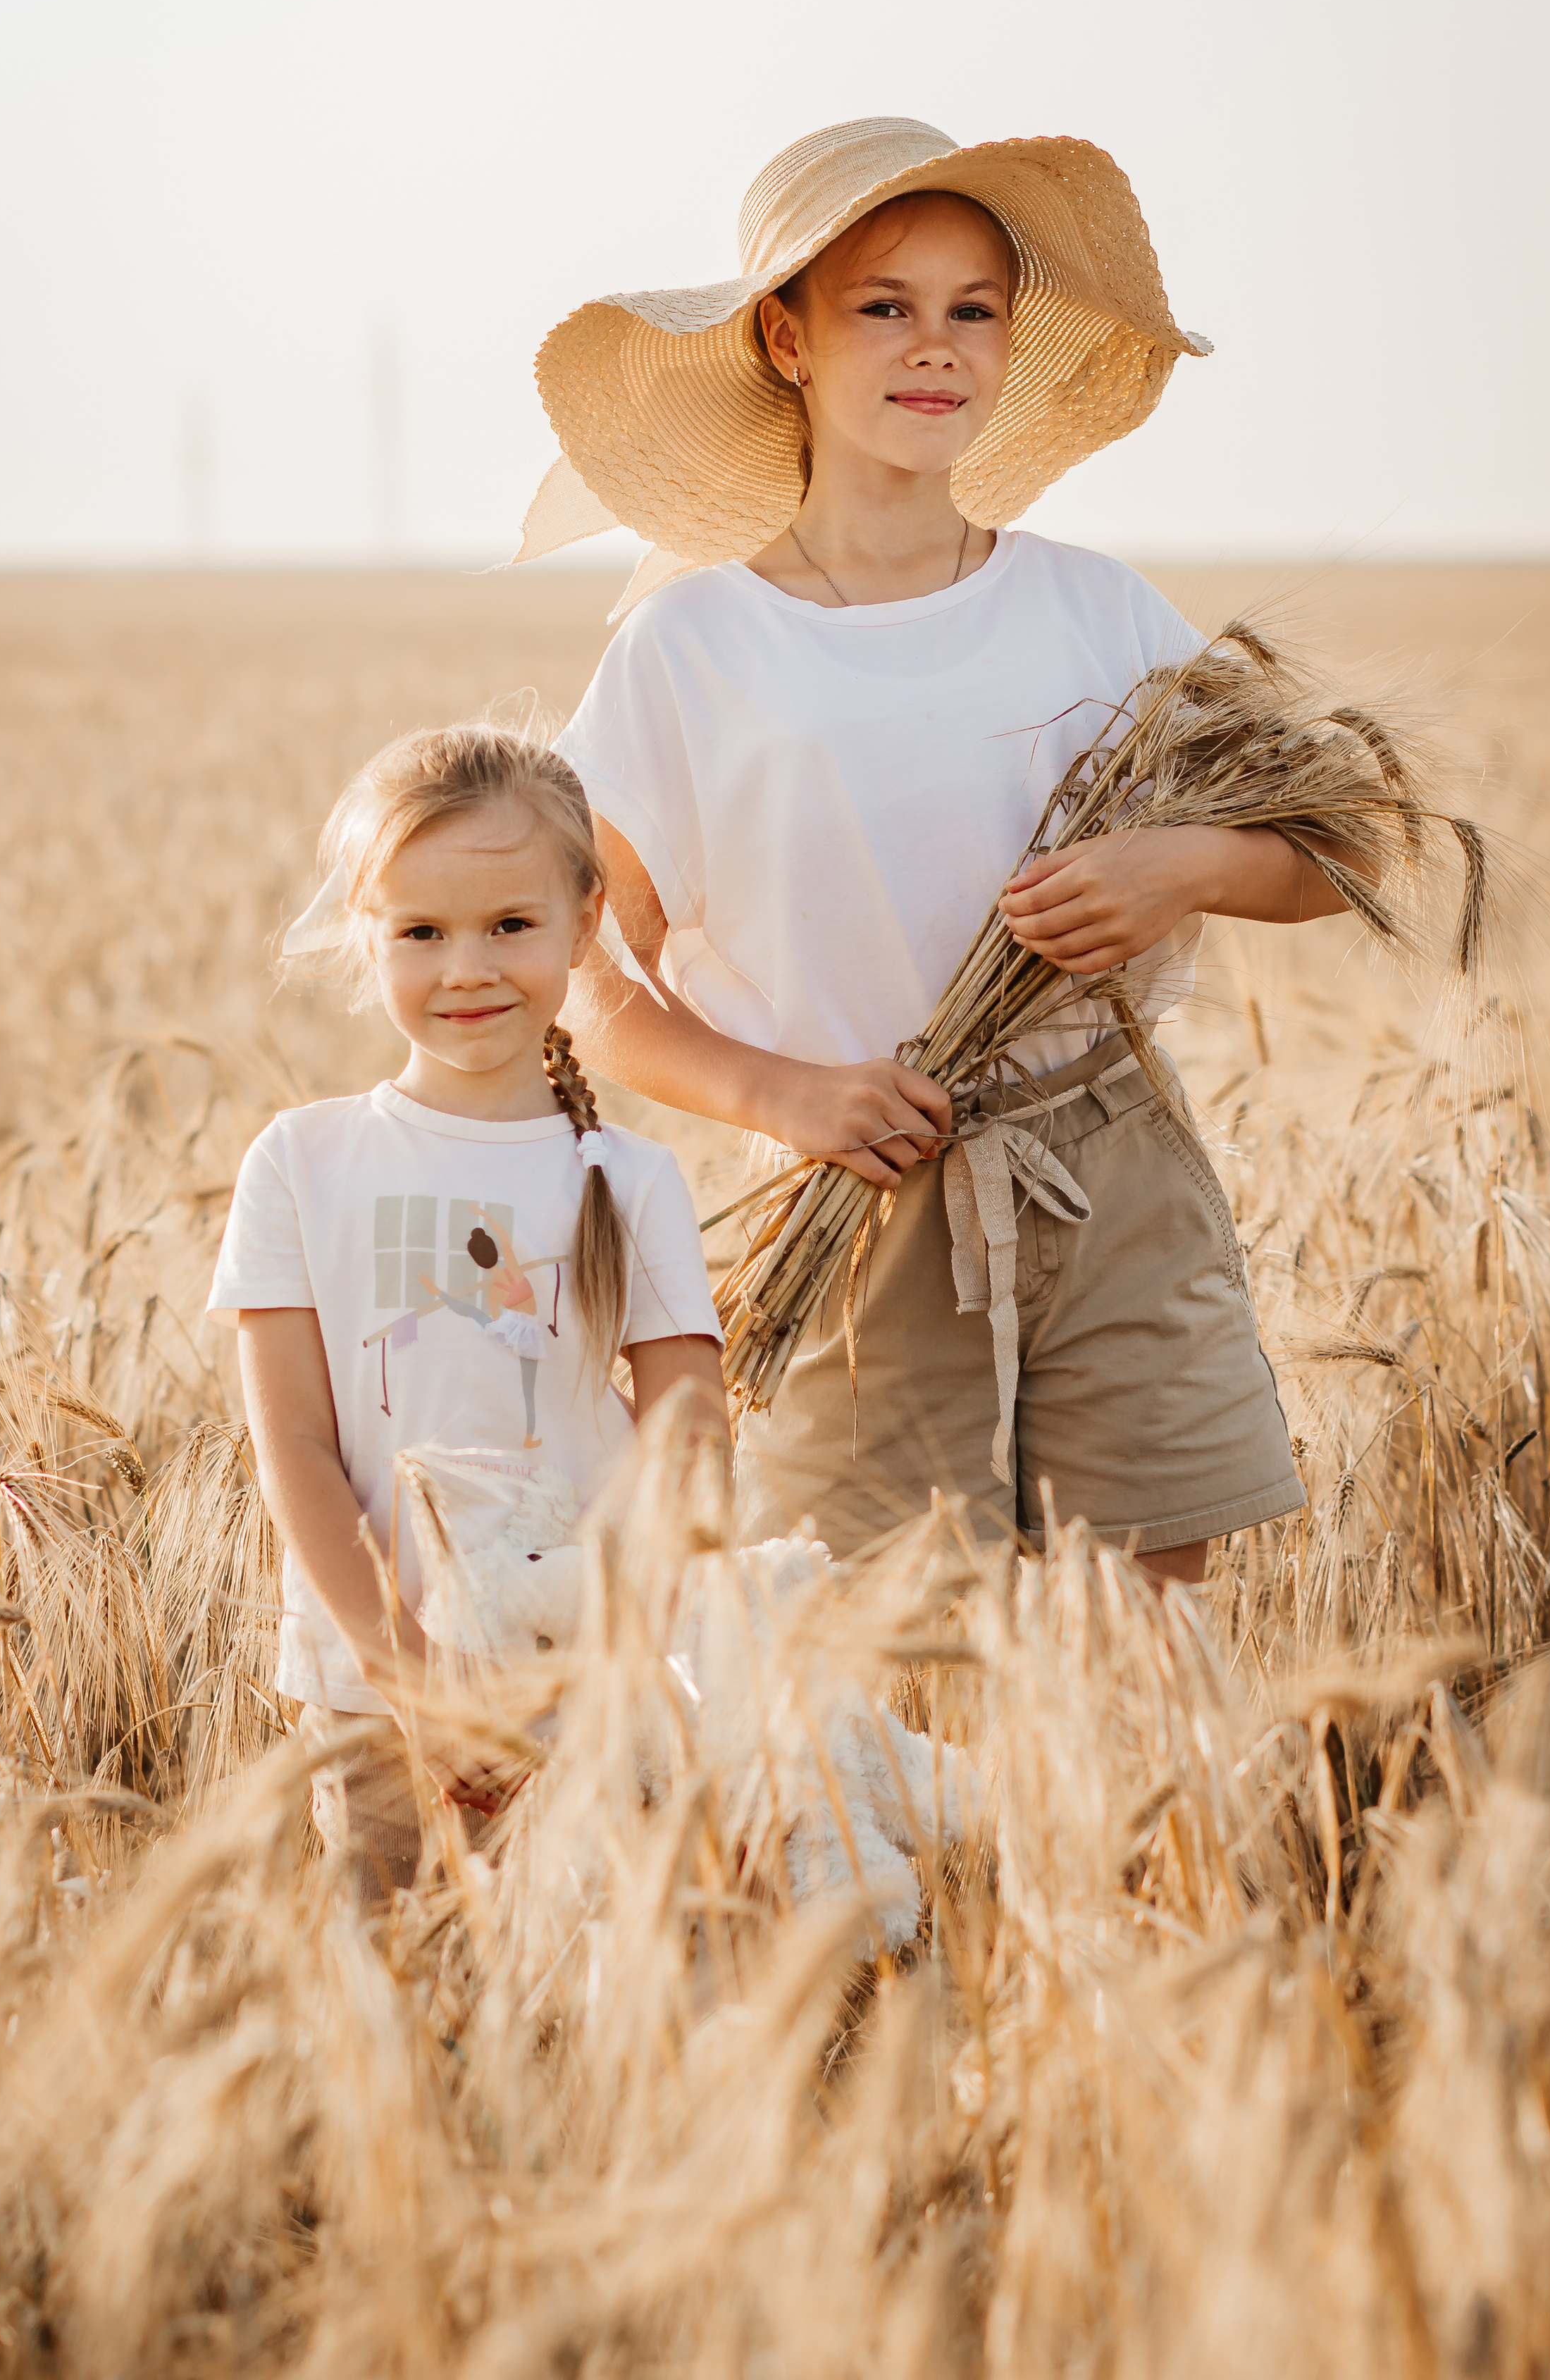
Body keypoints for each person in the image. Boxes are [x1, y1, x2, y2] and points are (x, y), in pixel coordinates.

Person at [529, 116, 1348, 1582]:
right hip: (856, 1190)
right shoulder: (691, 646)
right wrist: (781, 1094)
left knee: (1144, 1630)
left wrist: (1185, 870)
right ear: (786, 338)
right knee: (874, 1634)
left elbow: (1336, 842)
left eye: (973, 311)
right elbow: (582, 971)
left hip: (1109, 1165)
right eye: (883, 307)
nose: (935, 347)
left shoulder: (1093, 609)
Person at [207, 723, 724, 1890]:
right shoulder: (301, 1164)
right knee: (398, 1979)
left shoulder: (631, 1182)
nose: (468, 969)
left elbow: (689, 1445)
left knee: (594, 1983)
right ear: (368, 931)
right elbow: (293, 1446)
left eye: (510, 925)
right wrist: (413, 1679)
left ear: (584, 924)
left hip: (594, 1694)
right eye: (423, 933)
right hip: (375, 1701)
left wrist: (615, 1661)